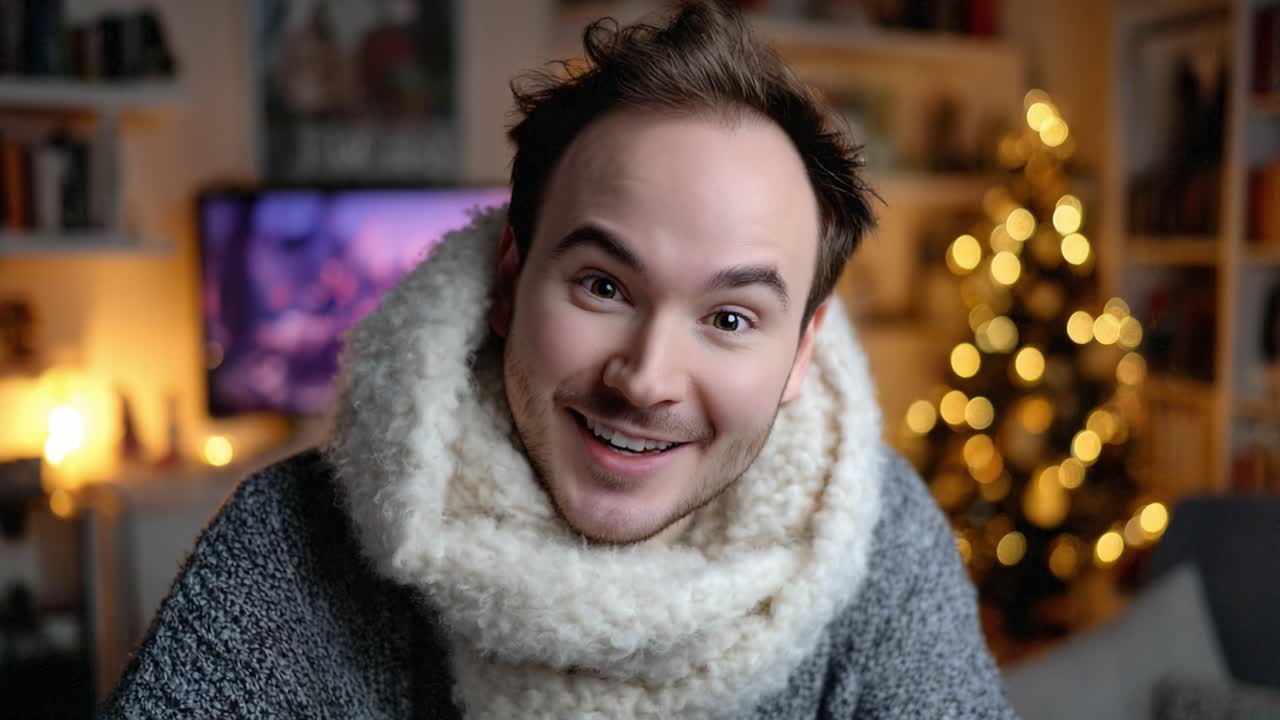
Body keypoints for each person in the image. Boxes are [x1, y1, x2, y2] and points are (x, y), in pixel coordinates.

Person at [102, 3, 1016, 718]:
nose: (647, 381)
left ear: (801, 353)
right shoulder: (292, 539)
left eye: (731, 317)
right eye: (604, 287)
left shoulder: (876, 534)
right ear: (509, 280)